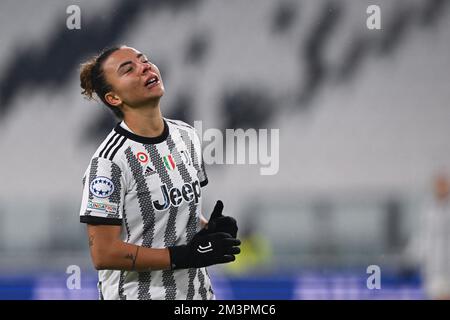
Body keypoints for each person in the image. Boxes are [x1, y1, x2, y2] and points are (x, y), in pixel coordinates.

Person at [78, 45, 240, 300]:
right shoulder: (109, 162)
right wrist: (183, 256)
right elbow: (103, 253)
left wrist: (211, 230)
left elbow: (172, 210)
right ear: (113, 98)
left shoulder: (186, 136)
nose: (145, 67)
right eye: (128, 69)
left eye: (144, 60)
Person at [419, 172, 450, 299]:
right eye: (438, 185)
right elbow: (424, 237)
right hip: (433, 268)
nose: (441, 188)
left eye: (443, 184)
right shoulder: (428, 208)